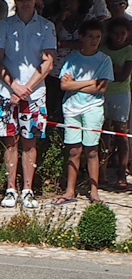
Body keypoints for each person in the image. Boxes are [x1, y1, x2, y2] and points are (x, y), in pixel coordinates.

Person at [0, 0, 59, 209]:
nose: (25, 3)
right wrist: (14, 86)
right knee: (10, 141)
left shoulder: (46, 26)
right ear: (15, 1)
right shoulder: (4, 26)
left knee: (30, 142)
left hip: (34, 93)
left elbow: (48, 62)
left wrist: (26, 89)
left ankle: (28, 190)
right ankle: (10, 188)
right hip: (6, 91)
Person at [54, 18, 110, 204]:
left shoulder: (104, 60)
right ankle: (70, 191)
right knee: (74, 150)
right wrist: (89, 83)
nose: (94, 40)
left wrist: (75, 84)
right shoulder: (72, 58)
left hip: (93, 108)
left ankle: (94, 191)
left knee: (92, 150)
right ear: (81, 37)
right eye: (90, 37)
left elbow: (101, 87)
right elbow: (64, 84)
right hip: (72, 108)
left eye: (98, 37)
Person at [102, 15, 132, 190]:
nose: (119, 36)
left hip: (121, 94)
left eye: (123, 33)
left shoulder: (129, 50)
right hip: (103, 93)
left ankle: (122, 171)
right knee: (104, 132)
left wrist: (111, 68)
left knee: (121, 132)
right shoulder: (104, 50)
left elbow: (122, 76)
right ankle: (103, 171)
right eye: (116, 33)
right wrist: (115, 68)